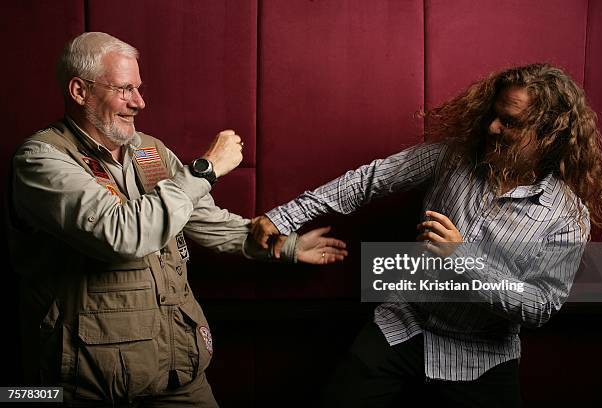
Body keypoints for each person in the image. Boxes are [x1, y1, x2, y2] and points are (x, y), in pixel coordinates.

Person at [7, 32, 347, 407]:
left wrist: (286, 246)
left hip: (176, 367)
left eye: (138, 88)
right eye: (124, 89)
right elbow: (123, 234)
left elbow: (202, 220)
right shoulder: (42, 160)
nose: (139, 102)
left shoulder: (149, 151)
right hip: (87, 381)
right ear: (78, 91)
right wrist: (205, 170)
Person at [252, 63, 602, 407]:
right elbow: (368, 181)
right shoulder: (453, 158)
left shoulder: (566, 216)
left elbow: (541, 305)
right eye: (494, 115)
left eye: (510, 122)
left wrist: (464, 260)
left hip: (481, 357)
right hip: (403, 324)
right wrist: (283, 216)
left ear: (550, 135)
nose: (492, 128)